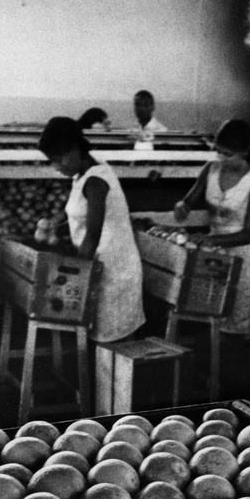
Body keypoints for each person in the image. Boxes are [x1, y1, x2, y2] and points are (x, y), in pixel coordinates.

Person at [38, 117, 146, 343]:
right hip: (101, 270)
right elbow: (82, 217)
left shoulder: (96, 181)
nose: (56, 167)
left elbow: (92, 236)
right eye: (52, 162)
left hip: (114, 273)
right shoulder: (83, 173)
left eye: (59, 160)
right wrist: (55, 227)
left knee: (116, 348)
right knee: (101, 347)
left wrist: (74, 277)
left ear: (75, 150)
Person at [173, 119, 250, 335]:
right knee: (208, 318)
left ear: (245, 151)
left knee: (236, 323)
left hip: (242, 258)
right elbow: (189, 199)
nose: (221, 159)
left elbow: (249, 234)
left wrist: (209, 240)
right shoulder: (211, 169)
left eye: (228, 154)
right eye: (218, 152)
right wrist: (182, 206)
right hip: (212, 257)